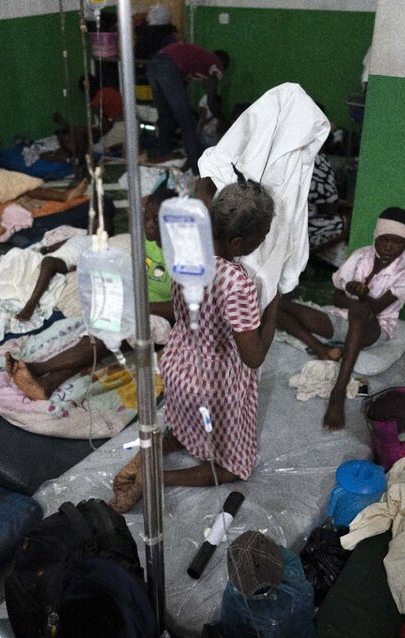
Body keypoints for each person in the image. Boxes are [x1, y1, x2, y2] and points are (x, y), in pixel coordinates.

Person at [110, 171, 281, 513]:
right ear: (237, 243)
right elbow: (253, 357)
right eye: (261, 236)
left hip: (179, 367)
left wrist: (209, 189)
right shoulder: (238, 283)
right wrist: (275, 301)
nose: (263, 241)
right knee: (233, 467)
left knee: (185, 431)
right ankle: (155, 479)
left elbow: (203, 190)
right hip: (216, 383)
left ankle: (146, 458)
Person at [6, 187, 177, 400]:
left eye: (157, 221)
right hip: (137, 304)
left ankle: (38, 368)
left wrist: (137, 308)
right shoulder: (146, 240)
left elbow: (180, 309)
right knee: (98, 333)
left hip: (165, 320)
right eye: (147, 217)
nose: (149, 225)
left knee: (116, 331)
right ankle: (46, 385)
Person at [277, 207, 405, 431]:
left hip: (375, 330)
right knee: (276, 306)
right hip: (343, 319)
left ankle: (338, 392)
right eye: (384, 239)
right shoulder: (361, 256)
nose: (389, 246)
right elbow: (336, 298)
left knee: (360, 311)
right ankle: (322, 350)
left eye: (397, 242)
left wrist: (358, 295)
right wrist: (350, 291)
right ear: (376, 236)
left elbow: (374, 309)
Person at [147, 42, 229, 175]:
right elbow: (211, 102)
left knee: (166, 120)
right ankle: (198, 172)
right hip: (167, 65)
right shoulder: (216, 63)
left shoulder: (197, 62)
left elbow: (178, 94)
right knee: (188, 125)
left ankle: (164, 165)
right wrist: (224, 121)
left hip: (154, 64)